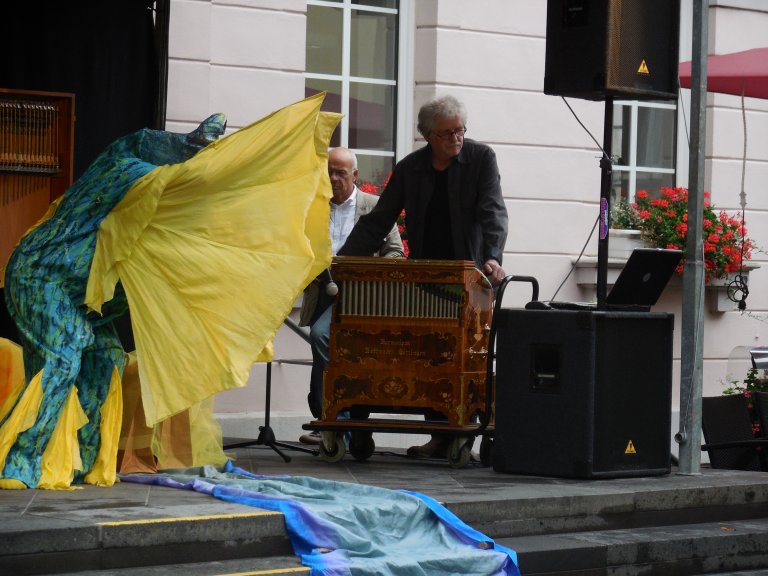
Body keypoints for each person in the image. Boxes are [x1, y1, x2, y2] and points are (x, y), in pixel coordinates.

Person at [337, 95, 508, 459]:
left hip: (469, 275)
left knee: (463, 354)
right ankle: (438, 434)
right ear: (428, 135)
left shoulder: (481, 159)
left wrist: (493, 258)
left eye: (460, 131)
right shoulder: (411, 168)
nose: (456, 139)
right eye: (447, 133)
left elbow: (493, 211)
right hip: (426, 274)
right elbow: (381, 217)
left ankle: (458, 432)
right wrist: (344, 260)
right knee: (430, 352)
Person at [298, 147, 404, 444]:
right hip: (322, 295)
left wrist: (368, 272)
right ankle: (336, 424)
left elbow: (396, 253)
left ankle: (340, 422)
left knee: (322, 338)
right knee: (323, 358)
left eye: (340, 173)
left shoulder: (374, 206)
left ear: (355, 175)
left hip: (363, 300)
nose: (333, 178)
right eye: (329, 171)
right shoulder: (314, 207)